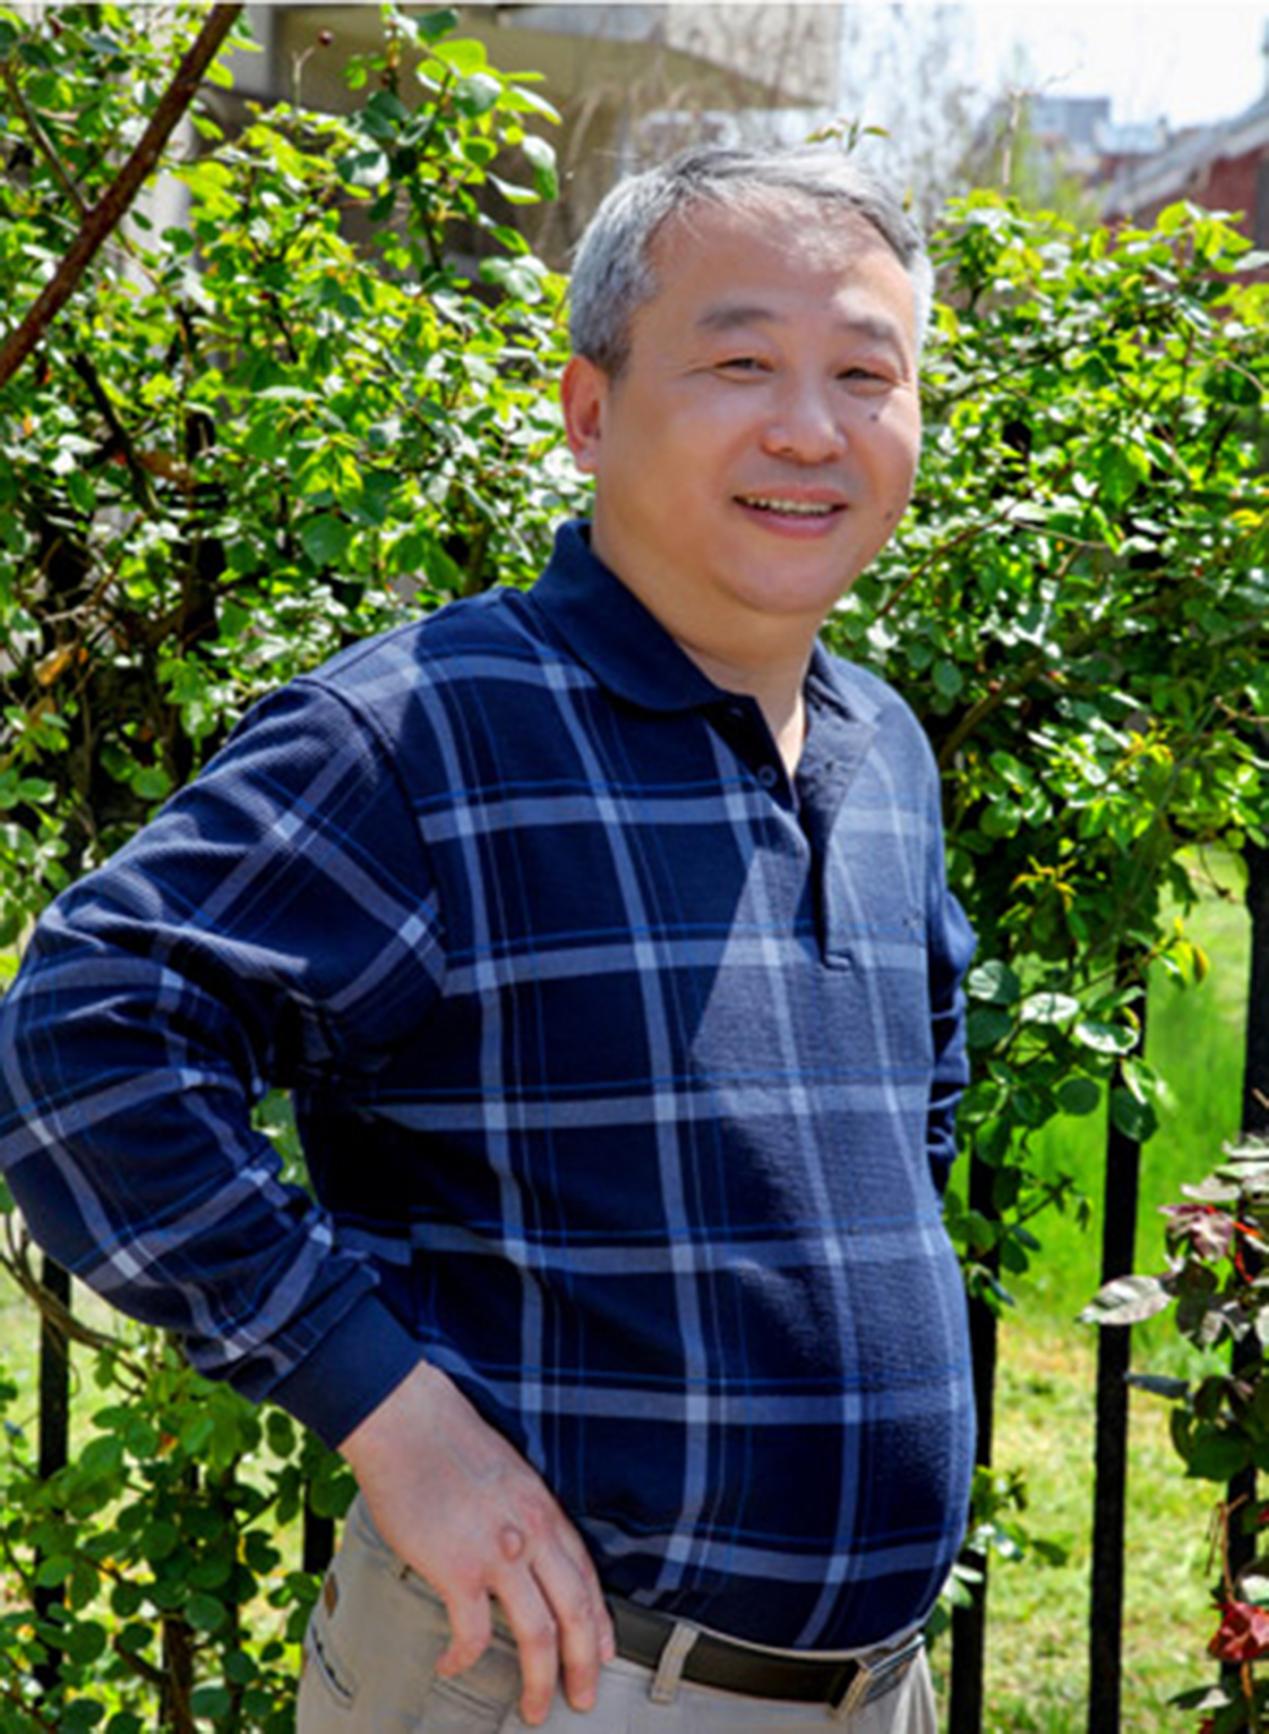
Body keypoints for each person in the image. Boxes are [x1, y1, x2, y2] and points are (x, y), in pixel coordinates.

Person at [0, 145, 977, 1731]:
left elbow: (912, 1103)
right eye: (739, 364)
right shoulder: (424, 731)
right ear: (589, 410)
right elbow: (82, 1033)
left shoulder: (882, 747)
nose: (811, 428)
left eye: (865, 374)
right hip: (547, 1678)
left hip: (871, 1691)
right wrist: (385, 1408)